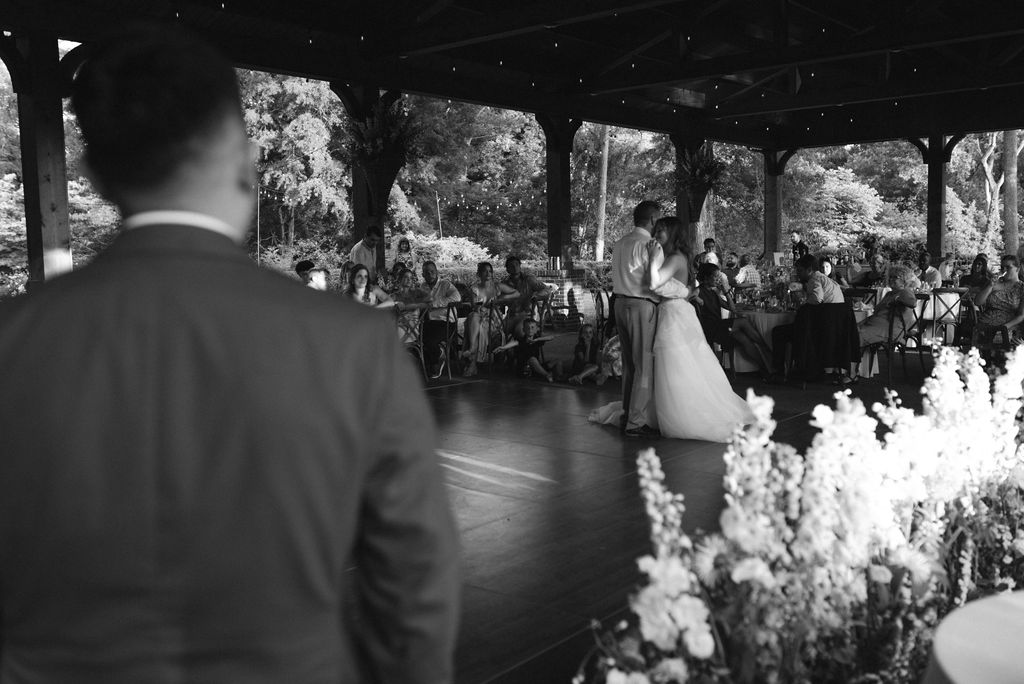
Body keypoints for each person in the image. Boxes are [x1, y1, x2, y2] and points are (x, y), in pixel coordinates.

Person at [0, 27, 459, 684]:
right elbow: (416, 585)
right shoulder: (352, 342)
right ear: (243, 158)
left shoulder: (13, 339)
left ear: (98, 175)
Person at [590, 216, 753, 441]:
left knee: (673, 363)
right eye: (655, 231)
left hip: (673, 314)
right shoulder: (673, 257)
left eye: (661, 232)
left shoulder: (674, 258)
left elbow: (656, 284)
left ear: (673, 234)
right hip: (670, 311)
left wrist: (656, 260)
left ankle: (677, 412)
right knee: (667, 364)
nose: (656, 236)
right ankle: (654, 411)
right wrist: (686, 290)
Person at [602, 200, 663, 437]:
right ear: (653, 220)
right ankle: (636, 422)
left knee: (628, 364)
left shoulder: (620, 243)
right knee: (643, 365)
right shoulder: (650, 245)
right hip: (641, 305)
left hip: (620, 304)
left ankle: (628, 412)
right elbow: (654, 281)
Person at [693, 263, 776, 379]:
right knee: (743, 322)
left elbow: (732, 308)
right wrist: (697, 298)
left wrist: (725, 292)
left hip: (719, 326)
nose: (718, 280)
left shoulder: (714, 292)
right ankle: (768, 349)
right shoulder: (698, 291)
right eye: (715, 277)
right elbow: (689, 295)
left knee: (743, 338)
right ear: (706, 278)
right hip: (709, 328)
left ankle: (766, 369)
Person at [842, 264, 921, 384]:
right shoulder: (890, 293)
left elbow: (912, 303)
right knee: (849, 330)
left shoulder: (905, 292)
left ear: (904, 280)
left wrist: (898, 299)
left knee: (856, 336)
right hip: (877, 325)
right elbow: (878, 314)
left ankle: (852, 374)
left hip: (890, 330)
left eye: (896, 277)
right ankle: (848, 371)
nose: (891, 279)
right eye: (891, 277)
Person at [771, 254, 845, 373]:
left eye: (800, 270)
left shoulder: (814, 279)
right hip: (835, 327)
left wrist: (803, 305)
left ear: (809, 270)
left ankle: (778, 371)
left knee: (778, 332)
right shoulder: (824, 279)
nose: (798, 274)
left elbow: (817, 299)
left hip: (819, 329)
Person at [461, 261, 516, 377]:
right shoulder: (474, 288)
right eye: (485, 271)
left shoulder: (497, 286)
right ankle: (472, 355)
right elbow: (474, 306)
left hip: (493, 318)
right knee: (474, 317)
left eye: (490, 271)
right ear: (479, 274)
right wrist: (480, 307)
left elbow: (516, 293)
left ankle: (472, 362)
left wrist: (500, 299)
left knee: (474, 324)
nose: (488, 273)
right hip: (479, 317)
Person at [421, 260, 462, 378]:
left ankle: (438, 358)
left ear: (437, 272)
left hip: (445, 322)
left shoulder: (445, 284)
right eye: (426, 272)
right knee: (417, 338)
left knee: (430, 340)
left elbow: (457, 297)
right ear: (423, 274)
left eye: (432, 271)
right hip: (428, 321)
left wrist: (436, 303)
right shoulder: (423, 286)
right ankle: (429, 363)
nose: (430, 274)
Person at [974, 254, 1024, 345]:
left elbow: (1021, 316)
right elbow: (977, 302)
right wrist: (990, 285)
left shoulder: (1022, 288)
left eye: (1008, 267)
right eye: (1002, 267)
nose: (1004, 270)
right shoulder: (994, 283)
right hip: (985, 325)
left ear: (1017, 268)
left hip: (1008, 326)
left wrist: (1003, 328)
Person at [495, 317, 560, 382]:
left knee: (557, 361)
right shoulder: (521, 340)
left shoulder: (537, 339)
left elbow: (550, 337)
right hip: (525, 369)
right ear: (524, 330)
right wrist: (503, 347)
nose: (530, 330)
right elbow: (514, 343)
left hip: (536, 368)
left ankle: (559, 378)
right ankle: (547, 375)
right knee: (532, 359)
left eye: (532, 328)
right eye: (527, 328)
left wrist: (537, 340)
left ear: (536, 329)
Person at [501, 255, 550, 338]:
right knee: (496, 333)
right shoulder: (505, 283)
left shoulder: (529, 279)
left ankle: (521, 350)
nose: (515, 267)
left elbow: (546, 290)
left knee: (520, 332)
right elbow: (500, 301)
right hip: (511, 316)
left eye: (517, 264)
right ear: (507, 269)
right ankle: (505, 350)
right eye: (511, 266)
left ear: (520, 266)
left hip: (526, 315)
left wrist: (536, 296)